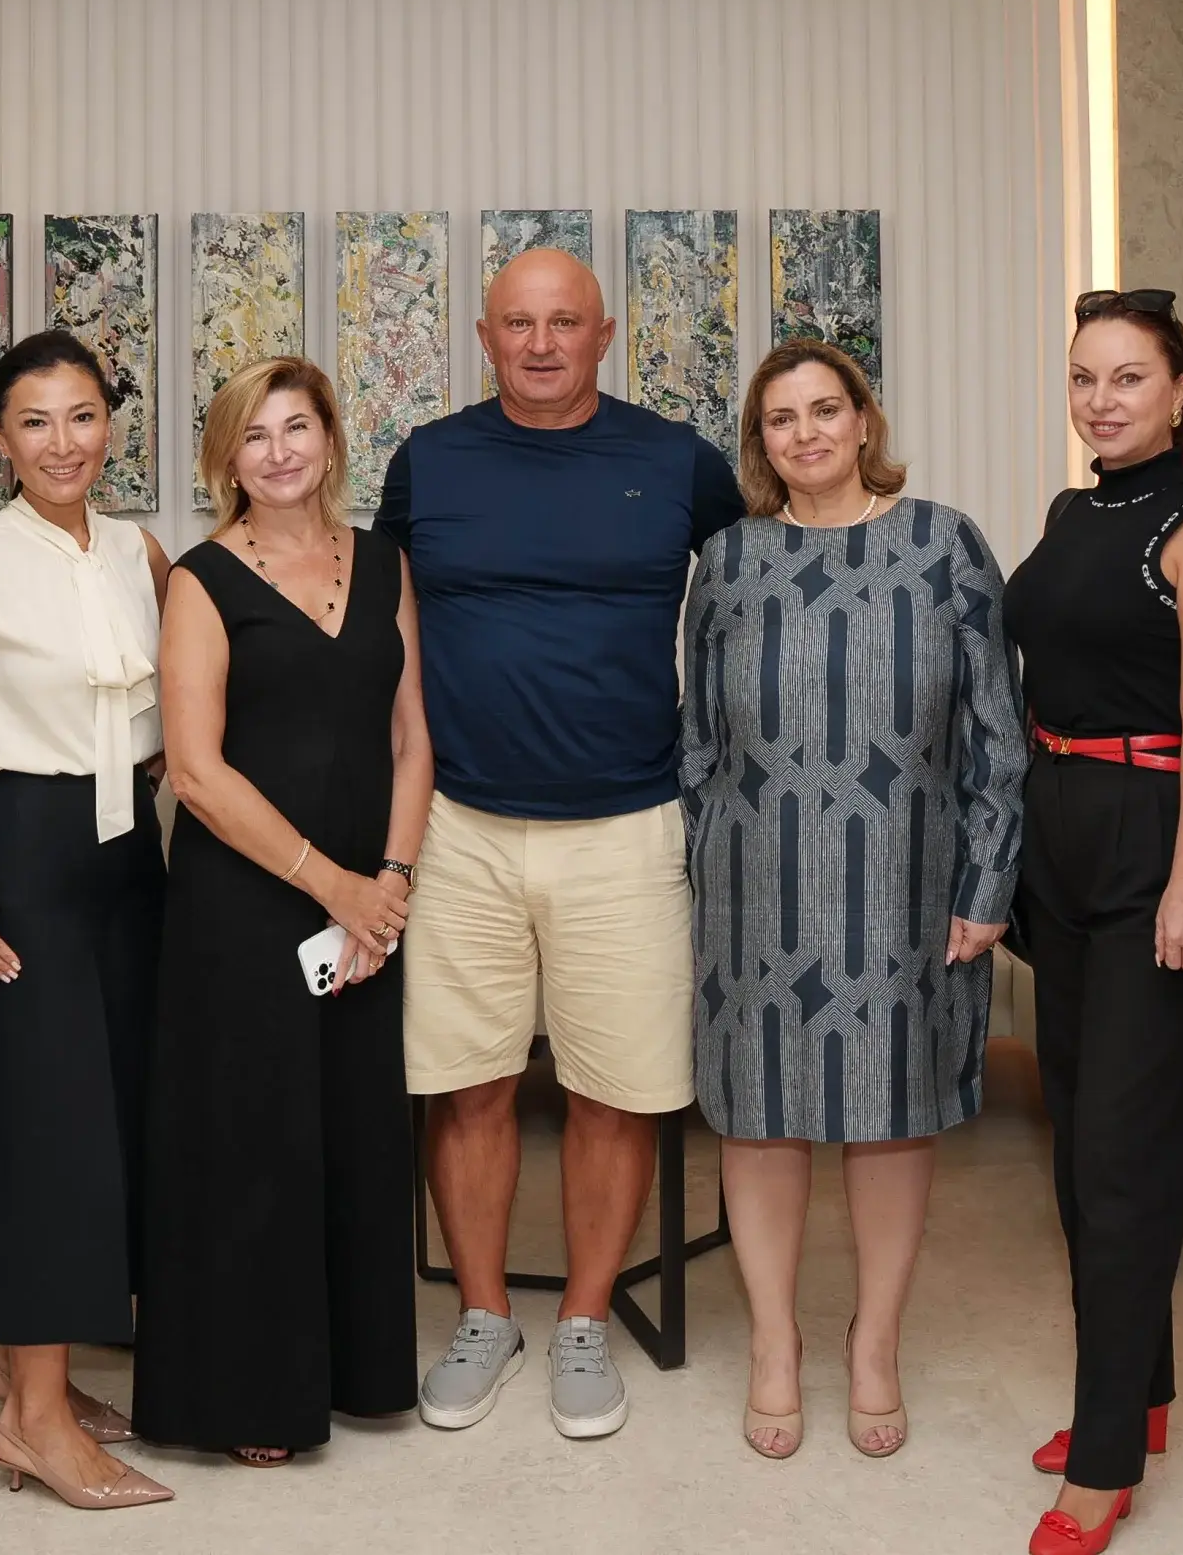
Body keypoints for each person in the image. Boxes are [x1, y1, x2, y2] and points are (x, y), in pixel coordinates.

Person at [376, 247, 745, 1439]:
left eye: (565, 323)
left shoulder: (675, 462)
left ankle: (584, 1318)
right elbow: (374, 631)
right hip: (460, 827)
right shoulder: (429, 460)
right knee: (470, 1084)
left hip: (626, 827)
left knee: (617, 1091)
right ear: (483, 336)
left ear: (604, 332)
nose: (542, 344)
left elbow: (759, 597)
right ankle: (486, 1313)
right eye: (519, 324)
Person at [680, 340, 1024, 1463]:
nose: (807, 434)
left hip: (904, 882)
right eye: (781, 420)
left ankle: (873, 1344)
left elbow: (995, 734)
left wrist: (987, 879)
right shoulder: (725, 561)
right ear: (759, 442)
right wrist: (701, 874)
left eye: (826, 410)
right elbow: (695, 743)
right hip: (752, 887)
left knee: (890, 1117)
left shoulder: (943, 545)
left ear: (865, 420)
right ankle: (774, 1345)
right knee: (760, 1119)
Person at [0, 329, 174, 1511]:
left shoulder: (143, 552)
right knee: (49, 1130)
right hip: (30, 853)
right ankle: (41, 1427)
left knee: (118, 1115)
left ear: (112, 424)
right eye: (34, 422)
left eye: (82, 417)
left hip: (132, 858)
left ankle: (24, 1369)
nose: (63, 443)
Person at [133, 355, 432, 1464]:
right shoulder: (201, 579)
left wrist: (391, 883)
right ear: (224, 457)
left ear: (329, 439)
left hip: (370, 897)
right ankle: (250, 1394)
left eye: (296, 427)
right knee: (251, 1143)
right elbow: (199, 775)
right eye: (253, 435)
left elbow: (412, 735)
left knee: (356, 1132)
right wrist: (337, 888)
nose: (278, 451)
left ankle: (355, 1371)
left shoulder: (386, 562)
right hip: (246, 904)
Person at [1001, 290, 1183, 1555]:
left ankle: (1102, 1466)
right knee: (1074, 1145)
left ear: (1177, 392)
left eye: (1129, 379)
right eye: (1084, 378)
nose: (1103, 400)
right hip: (1057, 843)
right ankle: (1137, 1396)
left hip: (1154, 837)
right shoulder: (1070, 510)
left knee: (1124, 1160)